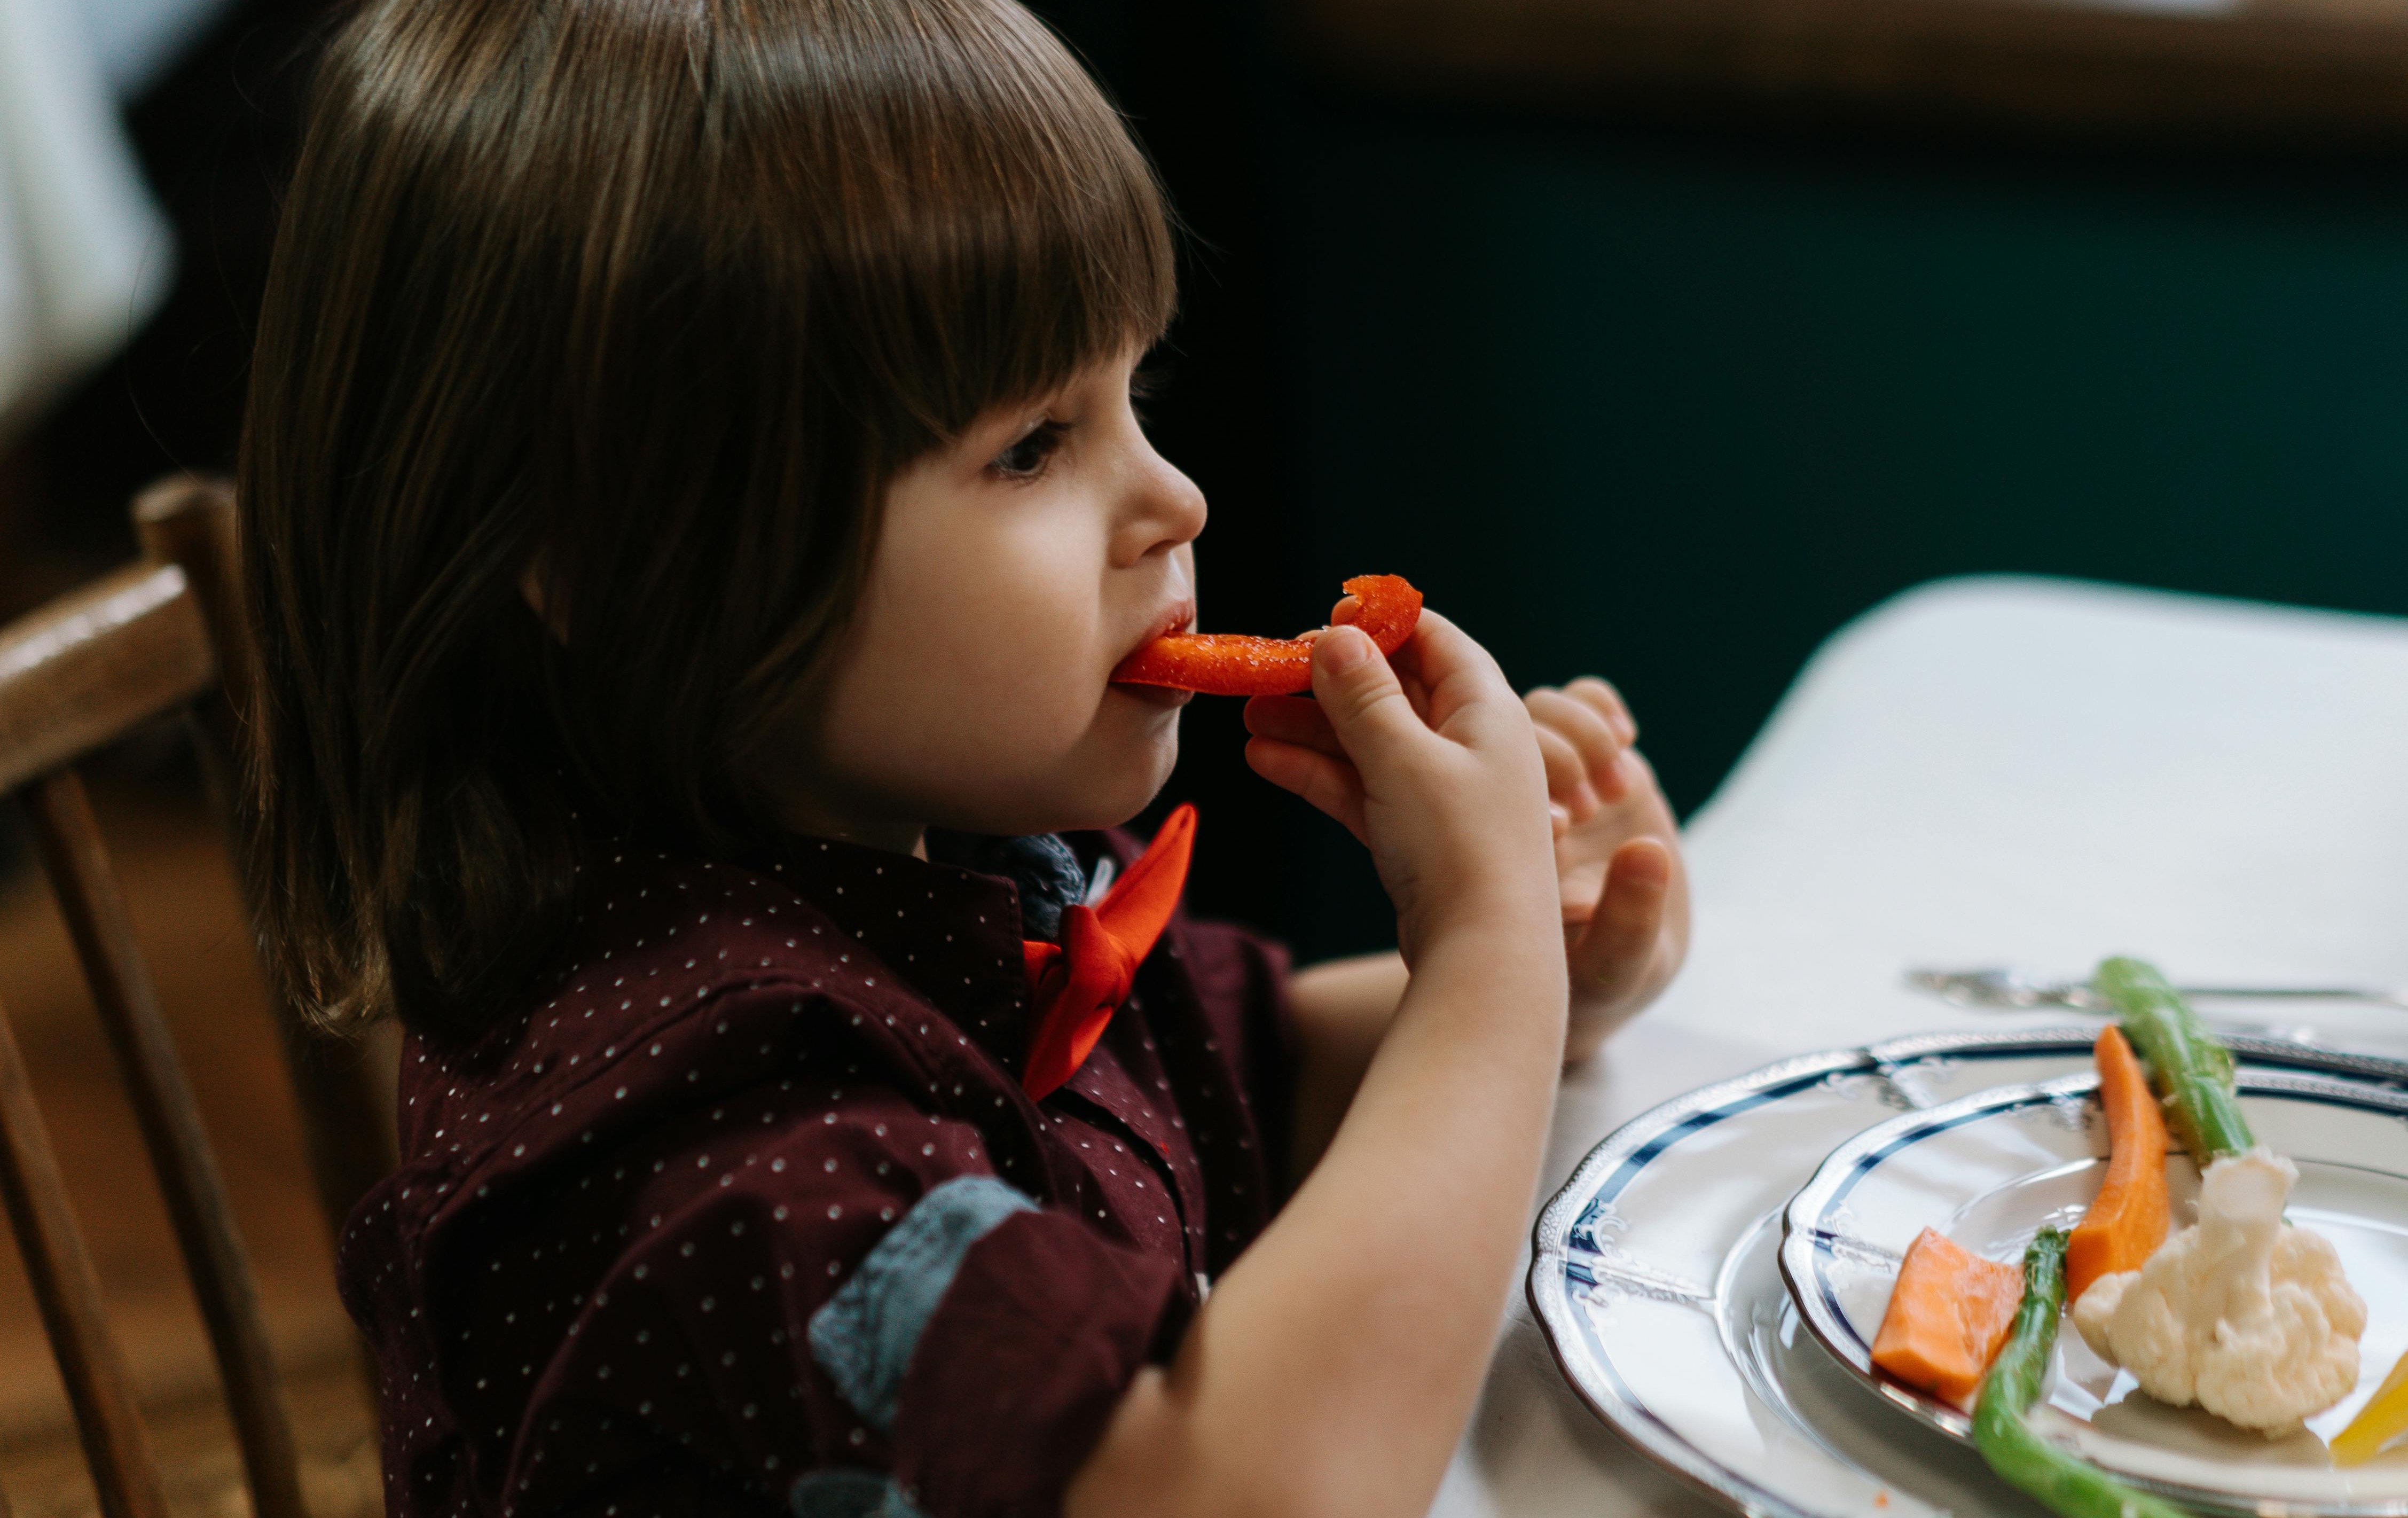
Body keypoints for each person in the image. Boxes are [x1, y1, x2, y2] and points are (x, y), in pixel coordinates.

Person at [234, 1, 1690, 1514]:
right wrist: (1488, 960)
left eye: (1138, 391)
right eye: (1031, 447)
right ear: (617, 558)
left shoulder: (935, 841)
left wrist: (1550, 969)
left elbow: (1249, 1074)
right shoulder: (722, 1137)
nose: (1176, 500)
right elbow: (1241, 1489)